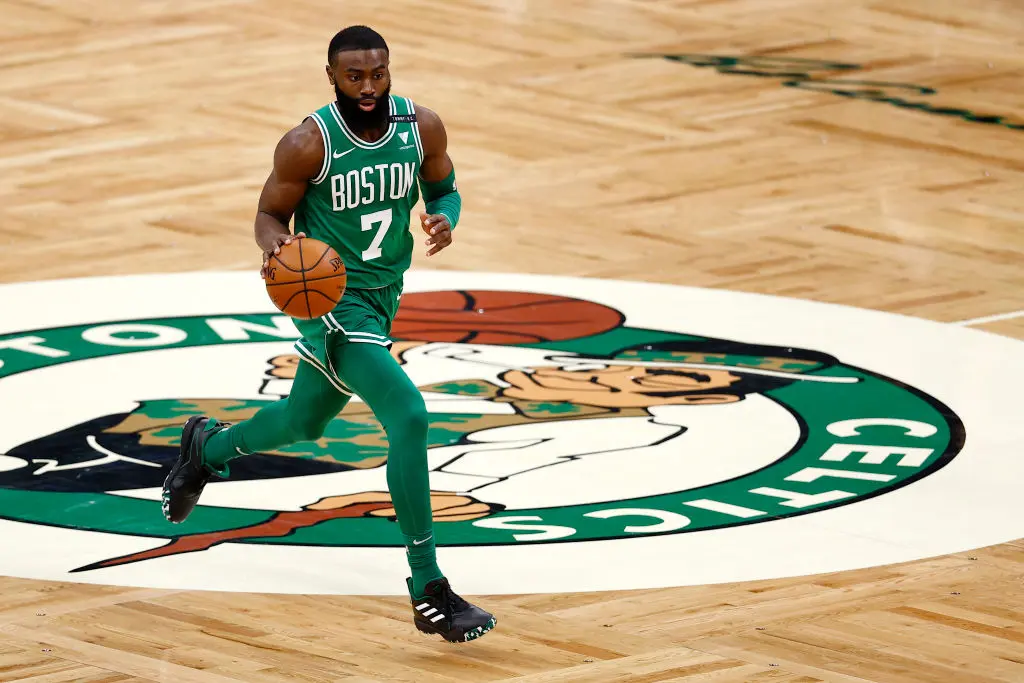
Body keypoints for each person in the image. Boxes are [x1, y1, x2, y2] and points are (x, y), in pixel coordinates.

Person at [160, 25, 496, 644]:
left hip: (383, 295)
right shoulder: (308, 143)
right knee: (410, 416)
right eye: (354, 77)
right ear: (332, 76)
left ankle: (205, 450)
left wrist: (444, 219)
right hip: (330, 300)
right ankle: (428, 586)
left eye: (378, 74)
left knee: (304, 422)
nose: (368, 88)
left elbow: (446, 187)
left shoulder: (422, 126)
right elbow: (268, 215)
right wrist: (278, 246)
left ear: (390, 71)